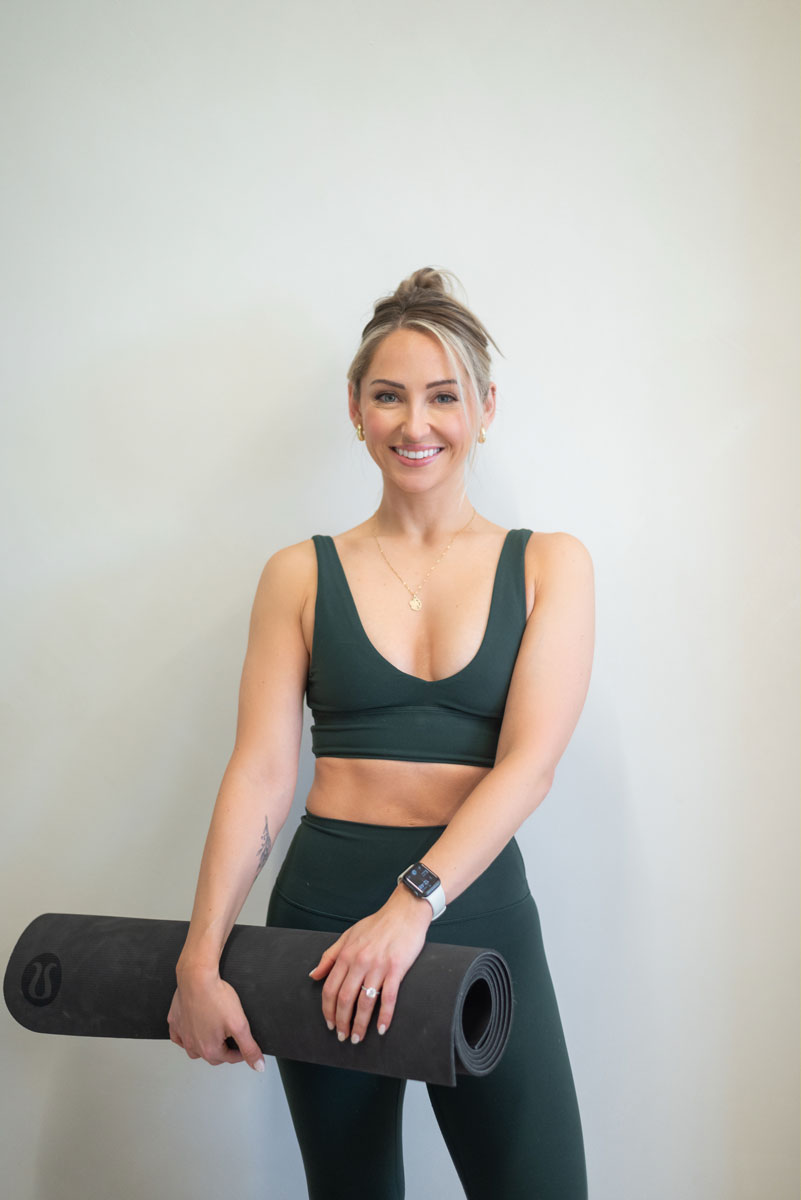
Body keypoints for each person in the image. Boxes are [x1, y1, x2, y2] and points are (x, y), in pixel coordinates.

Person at [167, 267, 595, 1199]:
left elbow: (528, 767)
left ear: (484, 410)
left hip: (472, 915)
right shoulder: (299, 574)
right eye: (388, 395)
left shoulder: (549, 566)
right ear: (354, 410)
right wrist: (198, 962)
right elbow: (261, 774)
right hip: (319, 921)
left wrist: (411, 908)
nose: (416, 424)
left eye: (444, 396)